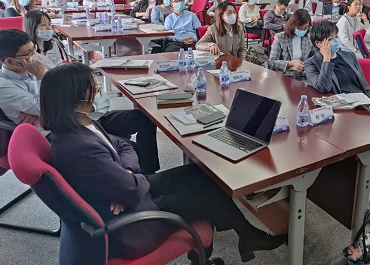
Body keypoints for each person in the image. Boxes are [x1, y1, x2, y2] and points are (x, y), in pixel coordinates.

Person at [44, 63, 286, 262]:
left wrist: (127, 171)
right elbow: (131, 191)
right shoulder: (79, 148)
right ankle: (233, 242)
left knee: (202, 175)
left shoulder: (81, 123)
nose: (98, 90)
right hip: (136, 222)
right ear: (75, 99)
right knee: (207, 197)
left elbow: (124, 146)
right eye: (93, 87)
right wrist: (129, 181)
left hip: (126, 193)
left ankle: (246, 236)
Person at [0, 29, 160, 173]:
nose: (35, 56)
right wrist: (42, 77)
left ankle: (148, 172)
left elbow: (65, 88)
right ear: (10, 61)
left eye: (33, 49)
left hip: (81, 115)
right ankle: (140, 182)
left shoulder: (31, 65)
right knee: (132, 150)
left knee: (144, 118)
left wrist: (51, 102)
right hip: (62, 131)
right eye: (28, 54)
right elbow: (46, 107)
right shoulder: (3, 88)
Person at [304, 21, 370, 214]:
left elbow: (364, 84)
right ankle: (365, 196)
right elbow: (323, 87)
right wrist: (326, 60)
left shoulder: (349, 56)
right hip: (341, 114)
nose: (336, 42)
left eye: (336, 37)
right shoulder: (312, 63)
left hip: (363, 107)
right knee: (367, 146)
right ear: (319, 44)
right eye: (331, 39)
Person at [269, 9, 312, 79]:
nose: (303, 30)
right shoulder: (280, 37)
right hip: (285, 76)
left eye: (305, 27)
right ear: (293, 25)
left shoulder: (308, 39)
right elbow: (272, 62)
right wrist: (290, 63)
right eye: (300, 27)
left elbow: (315, 57)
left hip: (302, 76)